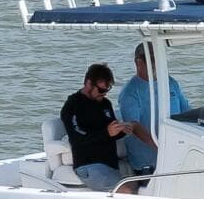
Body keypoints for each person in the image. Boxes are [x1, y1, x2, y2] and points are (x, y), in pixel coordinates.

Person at [118, 42, 190, 176]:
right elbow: (134, 126)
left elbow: (187, 113)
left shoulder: (171, 83)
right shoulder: (130, 92)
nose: (158, 63)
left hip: (176, 156)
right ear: (139, 62)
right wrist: (162, 147)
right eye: (153, 59)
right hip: (147, 164)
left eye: (159, 58)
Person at [60, 62, 127, 191]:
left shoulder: (105, 103)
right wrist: (107, 133)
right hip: (89, 165)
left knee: (138, 184)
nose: (104, 94)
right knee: (127, 189)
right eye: (101, 90)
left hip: (110, 164)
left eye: (108, 90)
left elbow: (111, 132)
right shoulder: (73, 106)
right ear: (88, 83)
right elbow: (77, 139)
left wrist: (123, 130)